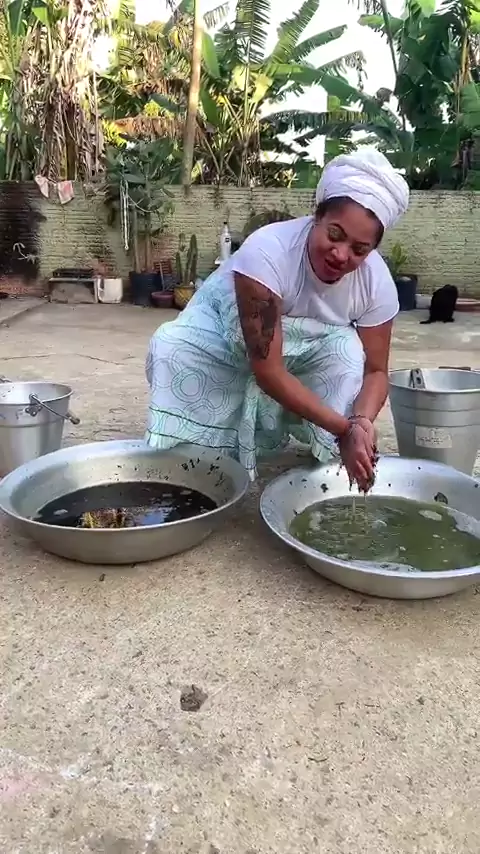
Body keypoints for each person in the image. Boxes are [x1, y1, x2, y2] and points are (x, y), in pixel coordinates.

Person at [145, 149, 409, 490]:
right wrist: (344, 429)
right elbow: (268, 370)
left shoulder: (376, 282)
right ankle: (194, 452)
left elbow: (376, 372)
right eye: (335, 234)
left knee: (347, 353)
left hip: (308, 344)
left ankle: (329, 454)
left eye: (359, 249)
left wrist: (361, 422)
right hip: (228, 326)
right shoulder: (268, 251)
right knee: (173, 348)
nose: (341, 255)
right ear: (316, 215)